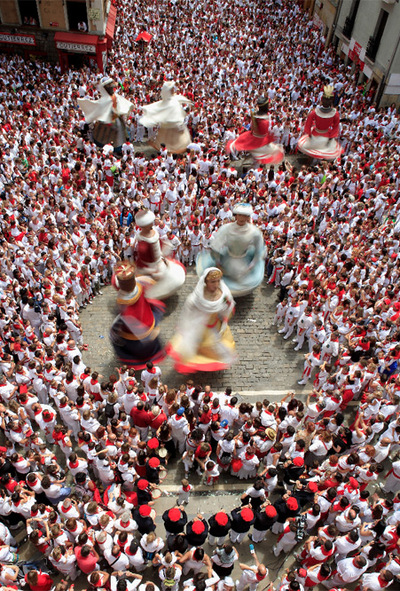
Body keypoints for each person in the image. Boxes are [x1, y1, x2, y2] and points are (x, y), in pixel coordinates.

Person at [167, 268, 236, 372]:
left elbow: (228, 307)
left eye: (218, 281)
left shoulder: (224, 294)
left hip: (215, 326)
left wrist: (226, 309)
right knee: (201, 347)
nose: (216, 284)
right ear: (206, 281)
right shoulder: (196, 299)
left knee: (219, 348)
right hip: (200, 327)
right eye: (213, 282)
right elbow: (188, 313)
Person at [196, 203, 266, 297]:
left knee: (240, 281)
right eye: (239, 215)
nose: (241, 218)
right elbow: (215, 247)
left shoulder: (255, 232)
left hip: (243, 262)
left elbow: (259, 252)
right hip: (227, 259)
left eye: (244, 216)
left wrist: (250, 267)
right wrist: (218, 262)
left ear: (248, 217)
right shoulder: (226, 228)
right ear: (236, 215)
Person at [109, 261, 165, 369]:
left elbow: (132, 323)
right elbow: (147, 281)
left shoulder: (124, 305)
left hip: (139, 333)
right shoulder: (139, 285)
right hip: (148, 318)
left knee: (112, 334)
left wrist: (146, 337)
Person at [134, 210, 186, 300]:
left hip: (157, 262)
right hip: (147, 265)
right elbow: (144, 256)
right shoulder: (143, 242)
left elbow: (158, 246)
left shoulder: (153, 232)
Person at [78, 77, 134, 152]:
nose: (111, 88)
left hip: (116, 119)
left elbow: (121, 104)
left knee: (120, 134)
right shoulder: (105, 100)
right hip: (107, 121)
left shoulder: (115, 96)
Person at [226, 96, 284, 165]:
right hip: (260, 140)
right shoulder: (264, 118)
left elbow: (253, 128)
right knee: (275, 152)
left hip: (255, 137)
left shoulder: (256, 115)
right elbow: (259, 131)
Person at [139, 81, 193, 153]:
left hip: (174, 126)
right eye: (172, 89)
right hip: (171, 126)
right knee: (171, 142)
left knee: (178, 142)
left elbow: (179, 99)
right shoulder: (170, 103)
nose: (174, 90)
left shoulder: (173, 100)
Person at [298, 85, 343, 160]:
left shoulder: (315, 112)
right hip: (325, 135)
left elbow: (308, 124)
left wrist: (309, 134)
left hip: (316, 134)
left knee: (315, 153)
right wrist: (331, 136)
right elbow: (335, 127)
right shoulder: (335, 113)